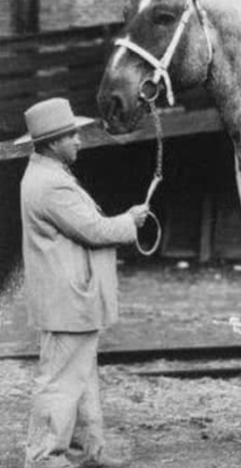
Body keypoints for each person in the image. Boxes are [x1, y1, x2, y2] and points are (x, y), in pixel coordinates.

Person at [14, 98, 149, 468]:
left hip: (70, 299)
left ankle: (85, 451)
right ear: (53, 141)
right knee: (60, 381)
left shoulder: (49, 174)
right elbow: (93, 230)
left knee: (80, 379)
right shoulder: (51, 184)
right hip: (67, 300)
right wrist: (129, 222)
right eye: (71, 134)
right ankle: (44, 458)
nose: (78, 140)